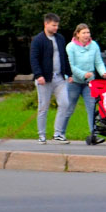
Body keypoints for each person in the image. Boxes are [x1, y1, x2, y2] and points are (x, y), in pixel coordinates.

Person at [29, 13, 72, 144]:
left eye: (57, 25)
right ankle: (41, 135)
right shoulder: (38, 40)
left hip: (59, 77)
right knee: (43, 107)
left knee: (65, 103)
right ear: (46, 24)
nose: (56, 28)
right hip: (44, 78)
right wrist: (38, 75)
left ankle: (58, 133)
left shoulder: (60, 38)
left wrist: (69, 73)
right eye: (53, 25)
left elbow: (64, 56)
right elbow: (34, 59)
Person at [65, 23, 106, 135]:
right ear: (77, 34)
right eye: (84, 33)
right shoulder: (70, 47)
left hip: (89, 83)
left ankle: (94, 134)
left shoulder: (94, 45)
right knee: (68, 109)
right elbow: (70, 65)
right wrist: (83, 74)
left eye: (88, 32)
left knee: (92, 107)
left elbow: (98, 62)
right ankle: (60, 133)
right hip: (73, 81)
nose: (86, 35)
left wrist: (103, 72)